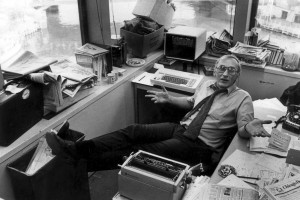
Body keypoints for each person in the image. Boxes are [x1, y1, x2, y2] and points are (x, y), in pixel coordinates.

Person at [46, 54, 271, 172]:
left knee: (139, 151)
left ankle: (82, 163)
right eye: (222, 68)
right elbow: (193, 103)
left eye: (231, 70)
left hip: (200, 145)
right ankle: (76, 149)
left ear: (237, 75)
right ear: (215, 69)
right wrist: (169, 99)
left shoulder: (243, 98)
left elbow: (243, 128)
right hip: (180, 128)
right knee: (132, 131)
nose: (225, 73)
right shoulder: (206, 84)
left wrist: (248, 129)